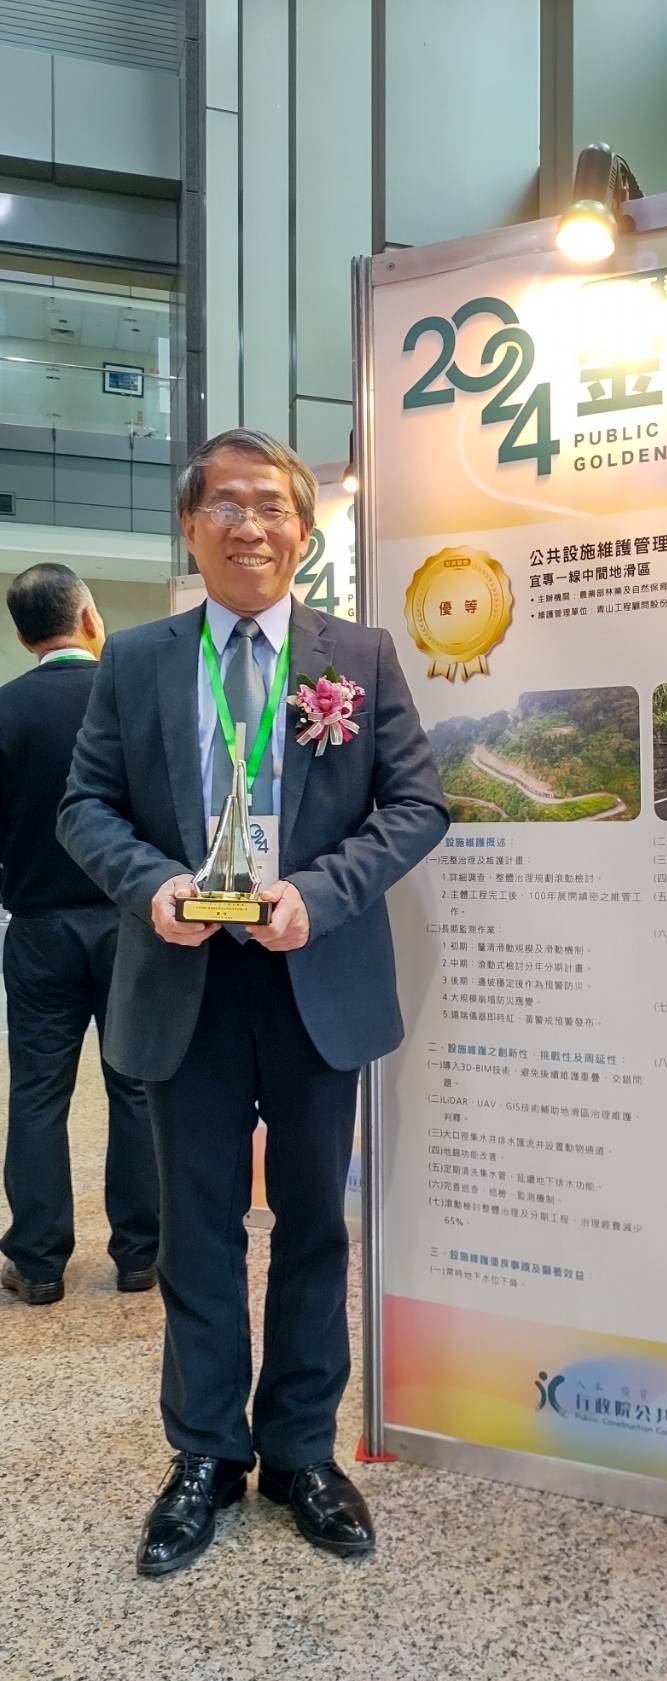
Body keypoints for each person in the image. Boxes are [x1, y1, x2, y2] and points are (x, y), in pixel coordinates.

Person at [58, 429, 449, 1578]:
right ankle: (205, 1454)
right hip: (185, 982)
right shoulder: (136, 659)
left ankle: (301, 1452)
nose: (250, 524)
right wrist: (153, 883)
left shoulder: (357, 654)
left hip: (314, 977)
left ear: (304, 531)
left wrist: (317, 895)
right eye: (225, 504)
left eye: (272, 505)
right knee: (198, 1228)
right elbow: (86, 806)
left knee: (317, 1225)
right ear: (191, 526)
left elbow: (416, 804)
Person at [0, 563, 159, 1306]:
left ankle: (37, 1262)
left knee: (37, 1092)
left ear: (22, 635)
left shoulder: (4, 710)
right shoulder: (131, 700)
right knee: (134, 1086)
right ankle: (140, 1254)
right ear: (91, 620)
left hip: (37, 928)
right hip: (129, 922)